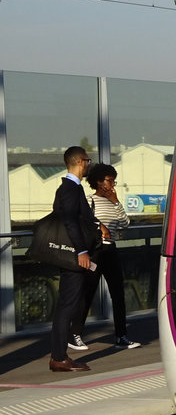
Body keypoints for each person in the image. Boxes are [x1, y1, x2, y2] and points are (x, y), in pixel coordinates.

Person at [48, 146, 100, 372]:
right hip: (73, 257)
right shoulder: (70, 188)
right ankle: (59, 357)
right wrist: (81, 251)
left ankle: (59, 356)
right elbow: (70, 221)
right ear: (80, 162)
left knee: (67, 305)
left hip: (71, 254)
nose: (89, 164)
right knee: (67, 307)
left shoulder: (69, 188)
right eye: (88, 160)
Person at [82, 163, 141, 349]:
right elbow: (83, 222)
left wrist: (116, 201)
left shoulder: (114, 202)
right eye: (109, 180)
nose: (112, 184)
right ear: (99, 181)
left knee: (118, 294)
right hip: (95, 252)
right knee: (87, 293)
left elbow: (125, 223)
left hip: (111, 250)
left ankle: (121, 336)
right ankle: (74, 334)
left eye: (114, 181)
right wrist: (99, 227)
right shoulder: (89, 200)